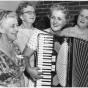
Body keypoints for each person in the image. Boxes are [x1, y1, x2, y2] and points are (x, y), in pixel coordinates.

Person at [23, 4, 70, 87]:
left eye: (59, 19)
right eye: (53, 17)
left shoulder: (68, 41)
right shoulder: (38, 34)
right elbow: (25, 56)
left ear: (65, 21)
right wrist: (29, 69)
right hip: (40, 81)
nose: (55, 21)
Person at [14, 1, 38, 87]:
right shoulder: (15, 32)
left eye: (34, 12)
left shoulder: (39, 33)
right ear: (21, 16)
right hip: (20, 74)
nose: (33, 15)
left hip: (35, 72)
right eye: (29, 12)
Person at [0, 10, 25, 87]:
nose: (17, 29)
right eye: (12, 26)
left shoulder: (17, 48)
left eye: (17, 25)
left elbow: (21, 77)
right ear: (1, 29)